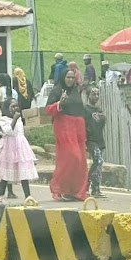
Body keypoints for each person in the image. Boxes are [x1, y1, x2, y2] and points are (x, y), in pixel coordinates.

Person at [46, 68, 88, 201]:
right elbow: (48, 109)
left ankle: (76, 191)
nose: (70, 80)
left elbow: (80, 110)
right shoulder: (57, 91)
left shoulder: (76, 92)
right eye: (68, 77)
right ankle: (61, 187)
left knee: (80, 160)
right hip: (64, 126)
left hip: (78, 129)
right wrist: (60, 103)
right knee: (71, 157)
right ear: (63, 78)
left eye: (72, 78)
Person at [0, 99, 38, 199]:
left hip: (20, 148)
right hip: (9, 149)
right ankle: (0, 195)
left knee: (23, 171)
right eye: (12, 106)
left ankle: (28, 196)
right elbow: (8, 131)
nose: (15, 108)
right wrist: (14, 119)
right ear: (6, 108)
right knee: (6, 172)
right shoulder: (4, 119)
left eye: (17, 106)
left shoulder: (19, 119)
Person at [84, 87, 107, 198]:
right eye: (93, 94)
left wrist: (103, 119)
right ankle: (86, 184)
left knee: (98, 164)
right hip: (90, 139)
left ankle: (96, 188)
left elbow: (101, 126)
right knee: (98, 159)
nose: (96, 97)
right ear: (88, 95)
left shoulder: (99, 110)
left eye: (97, 94)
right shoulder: (85, 109)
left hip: (99, 139)